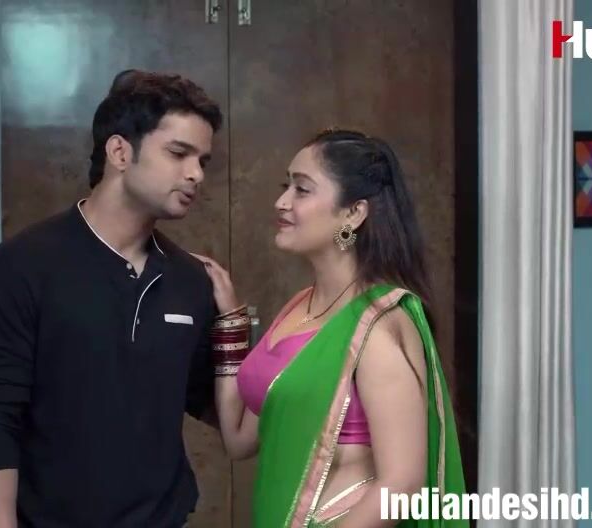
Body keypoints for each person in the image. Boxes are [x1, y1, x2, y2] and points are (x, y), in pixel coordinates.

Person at [0, 69, 223, 528]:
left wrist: (238, 328)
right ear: (120, 152)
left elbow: (211, 400)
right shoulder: (18, 268)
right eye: (178, 153)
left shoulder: (191, 280)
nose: (196, 174)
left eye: (203, 160)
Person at [193, 129, 467, 527]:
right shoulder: (298, 308)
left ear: (353, 213)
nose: (282, 202)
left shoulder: (377, 325)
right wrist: (230, 325)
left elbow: (402, 483)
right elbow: (238, 439)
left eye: (302, 190)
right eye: (286, 186)